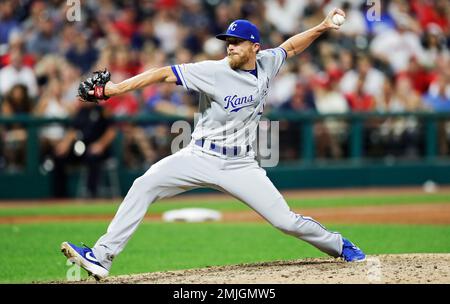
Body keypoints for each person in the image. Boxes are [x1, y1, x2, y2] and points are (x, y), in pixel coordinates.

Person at [61, 9, 366, 281]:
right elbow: (162, 73)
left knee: (285, 221)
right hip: (200, 155)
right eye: (228, 41)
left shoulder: (267, 62)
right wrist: (116, 89)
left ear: (255, 48)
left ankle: (340, 245)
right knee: (145, 184)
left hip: (241, 165)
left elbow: (291, 46)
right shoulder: (213, 71)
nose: (230, 46)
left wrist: (322, 27)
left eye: (237, 41)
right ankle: (101, 257)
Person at [51, 103, 116, 198]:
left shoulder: (102, 110)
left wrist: (101, 145)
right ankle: (60, 195)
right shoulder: (80, 111)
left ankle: (92, 194)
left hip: (99, 150)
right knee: (58, 156)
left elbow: (112, 131)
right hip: (81, 148)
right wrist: (65, 144)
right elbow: (72, 130)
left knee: (92, 156)